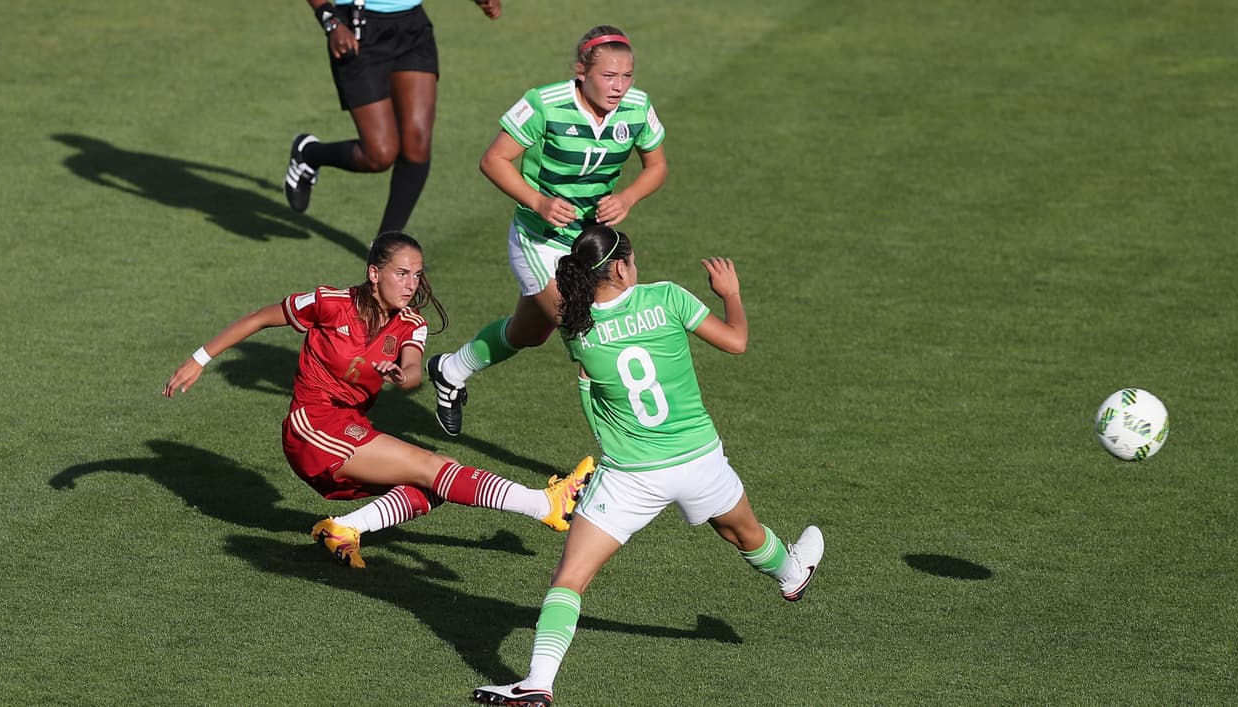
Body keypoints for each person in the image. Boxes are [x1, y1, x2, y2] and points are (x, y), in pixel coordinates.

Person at [471, 225, 824, 706]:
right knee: (744, 533)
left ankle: (538, 682)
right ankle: (790, 573)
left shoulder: (578, 329)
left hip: (631, 476)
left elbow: (590, 388)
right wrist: (731, 294)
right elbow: (737, 342)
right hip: (699, 459)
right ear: (620, 267)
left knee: (571, 578)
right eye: (633, 259)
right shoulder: (668, 298)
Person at [163, 231, 592, 568]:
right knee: (435, 468)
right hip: (312, 428)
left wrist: (400, 375)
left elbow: (409, 372)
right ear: (374, 274)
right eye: (401, 273)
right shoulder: (331, 303)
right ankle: (543, 504)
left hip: (350, 428)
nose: (411, 284)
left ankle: (345, 529)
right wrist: (200, 358)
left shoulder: (412, 324)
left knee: (433, 486)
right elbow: (261, 317)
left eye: (417, 274)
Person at [426, 25, 668, 436]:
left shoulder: (638, 108)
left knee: (529, 334)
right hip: (538, 241)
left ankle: (450, 370)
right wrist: (538, 202)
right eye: (609, 76)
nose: (619, 87)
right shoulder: (545, 103)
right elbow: (494, 160)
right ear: (581, 71)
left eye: (627, 76)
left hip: (587, 245)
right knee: (587, 337)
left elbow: (657, 166)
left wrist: (627, 198)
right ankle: (625, 451)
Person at [284, 0, 503, 235]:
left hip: (412, 28)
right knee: (379, 155)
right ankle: (309, 154)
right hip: (358, 32)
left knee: (417, 144)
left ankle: (383, 249)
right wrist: (331, 22)